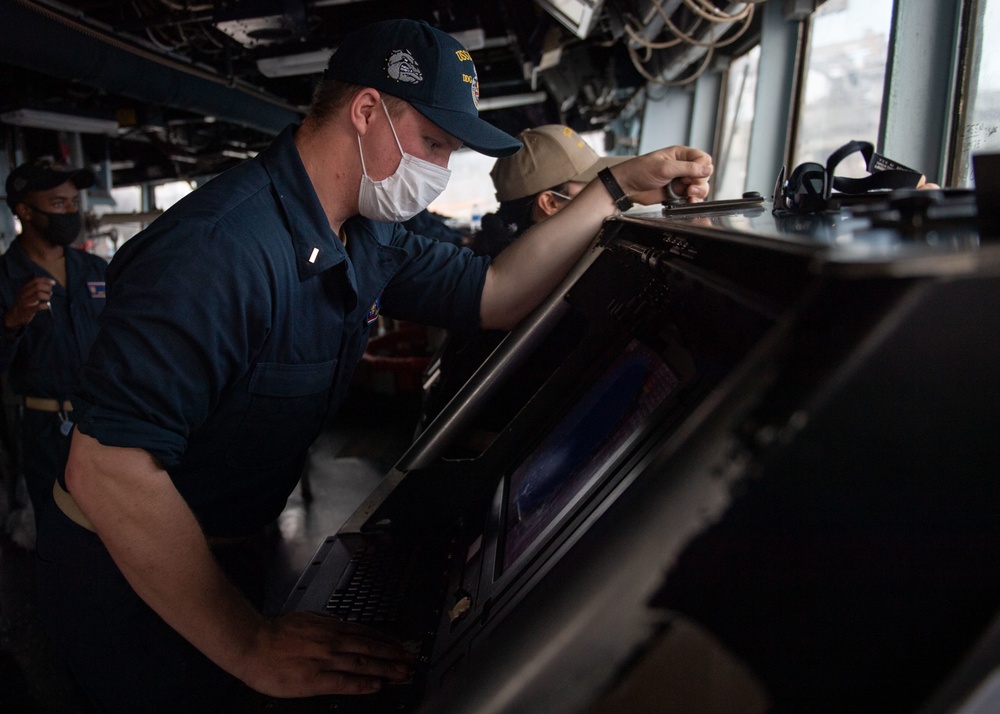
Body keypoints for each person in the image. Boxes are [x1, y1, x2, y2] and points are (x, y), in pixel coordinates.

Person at [36, 18, 712, 713]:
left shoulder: (370, 233)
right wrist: (250, 646)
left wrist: (616, 189)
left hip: (232, 541)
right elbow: (110, 468)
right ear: (366, 112)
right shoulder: (219, 253)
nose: (441, 170)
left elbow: (497, 292)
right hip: (127, 569)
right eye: (434, 144)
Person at [420, 124, 637, 429]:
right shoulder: (542, 285)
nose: (612, 202)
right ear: (550, 203)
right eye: (593, 190)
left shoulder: (497, 253)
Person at [0, 161, 104, 535]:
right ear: (25, 211)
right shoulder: (5, 278)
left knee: (113, 534)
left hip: (103, 423)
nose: (70, 212)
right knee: (56, 534)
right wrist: (11, 322)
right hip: (44, 428)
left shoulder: (95, 269)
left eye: (74, 202)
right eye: (58, 204)